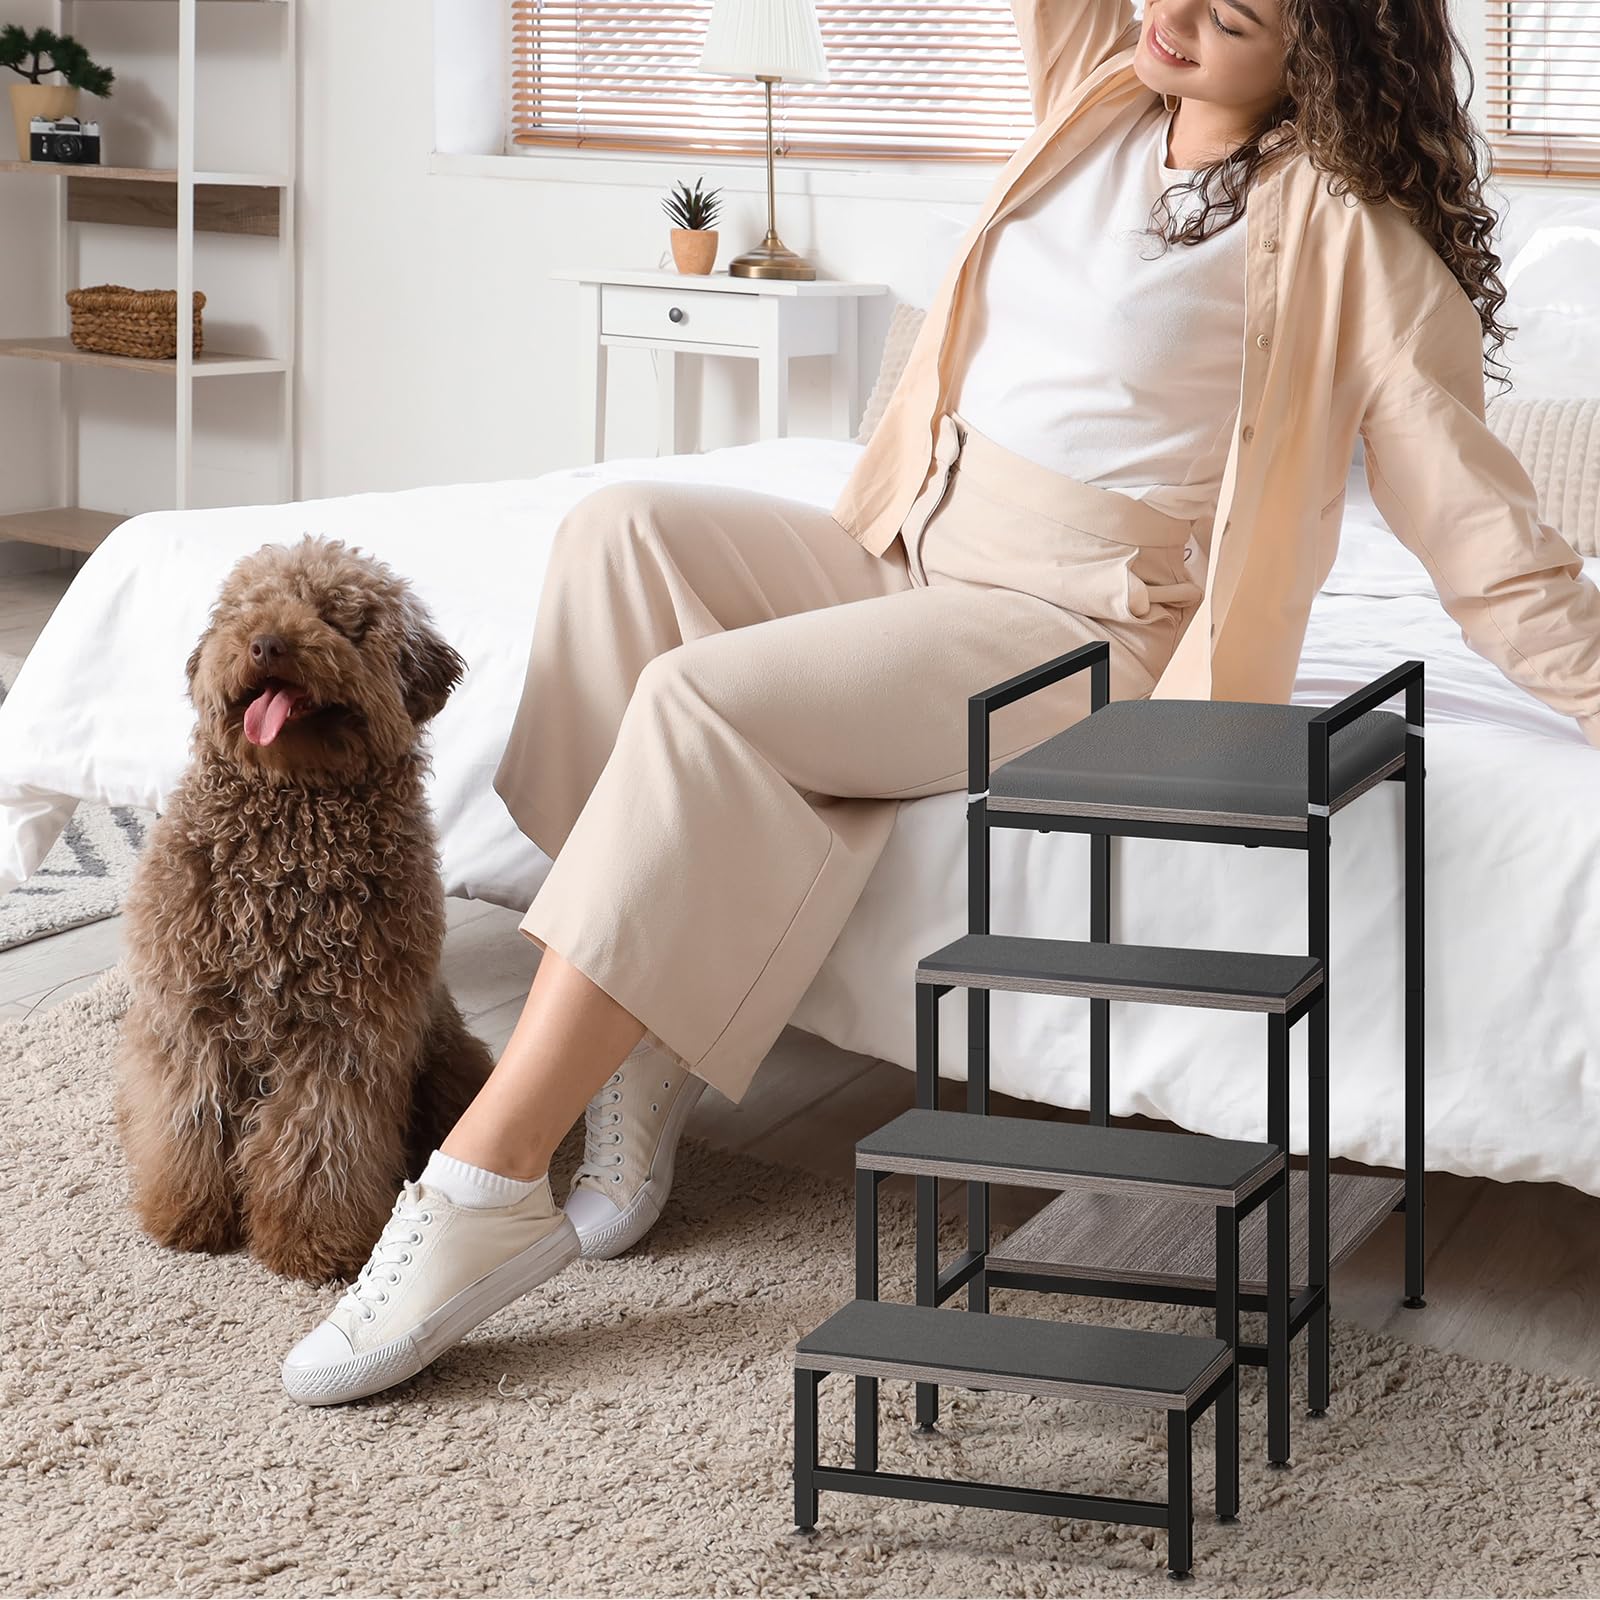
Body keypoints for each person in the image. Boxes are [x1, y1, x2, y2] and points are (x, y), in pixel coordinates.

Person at [280, 0, 1600, 1405]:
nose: (1175, 19)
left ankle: (487, 1185)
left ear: (1320, 52)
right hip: (903, 538)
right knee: (619, 535)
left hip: (1075, 624)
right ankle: (652, 1032)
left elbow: (1486, 538)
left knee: (699, 705)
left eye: (1232, 16)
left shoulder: (1348, 233)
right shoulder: (1099, 88)